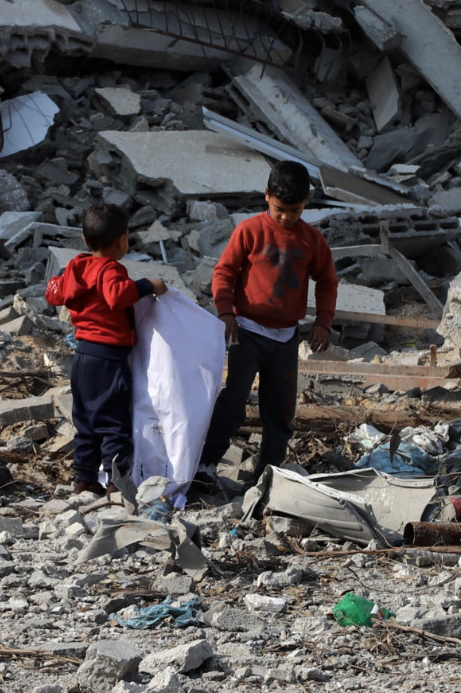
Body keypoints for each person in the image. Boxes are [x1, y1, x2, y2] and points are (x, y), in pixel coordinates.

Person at [195, 162, 336, 490]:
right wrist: (225, 312)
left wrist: (324, 323)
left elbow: (327, 281)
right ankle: (205, 466)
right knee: (232, 401)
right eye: (280, 209)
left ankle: (266, 477)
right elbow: (224, 273)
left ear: (308, 201)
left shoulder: (312, 240)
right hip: (246, 331)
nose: (286, 217)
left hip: (286, 338)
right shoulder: (249, 230)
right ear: (267, 196)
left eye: (295, 210)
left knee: (281, 410)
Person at [44, 202, 167, 496]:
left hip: (82, 357)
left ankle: (84, 479)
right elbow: (117, 296)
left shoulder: (75, 267)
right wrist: (149, 285)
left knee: (85, 420)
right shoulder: (112, 269)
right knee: (113, 423)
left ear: (85, 240)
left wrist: (60, 278)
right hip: (109, 360)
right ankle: (116, 482)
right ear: (123, 240)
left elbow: (53, 293)